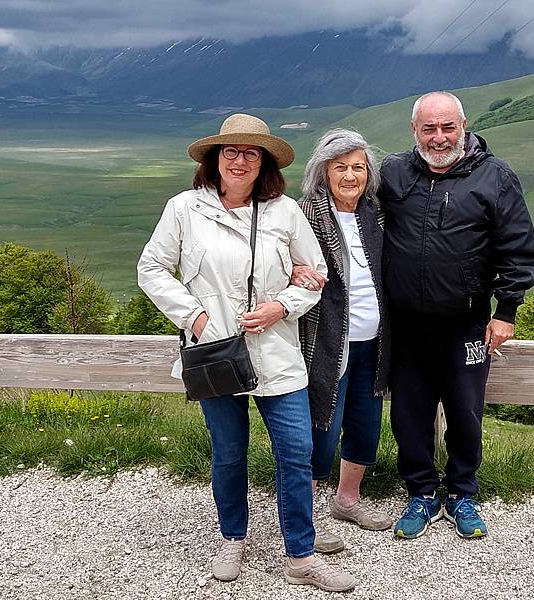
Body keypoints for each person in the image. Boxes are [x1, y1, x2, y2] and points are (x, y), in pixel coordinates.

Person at [136, 113, 355, 592]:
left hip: (276, 352)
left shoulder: (283, 212)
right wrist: (194, 318)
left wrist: (282, 305)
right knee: (229, 452)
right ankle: (233, 537)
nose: (239, 160)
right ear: (215, 159)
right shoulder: (183, 209)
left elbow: (315, 272)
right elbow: (151, 268)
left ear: (265, 163)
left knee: (296, 452)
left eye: (250, 153)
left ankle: (300, 554)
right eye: (230, 152)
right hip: (214, 352)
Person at [378, 91, 534, 539]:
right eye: (429, 128)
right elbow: (347, 207)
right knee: (408, 413)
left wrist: (506, 310)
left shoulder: (495, 176)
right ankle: (422, 493)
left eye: (448, 127)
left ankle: (463, 493)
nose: (439, 136)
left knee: (466, 411)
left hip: (466, 321)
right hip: (405, 323)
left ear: (463, 126)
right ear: (415, 130)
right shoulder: (393, 172)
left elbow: (518, 247)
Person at [294, 129, 394, 550]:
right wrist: (294, 271)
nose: (350, 175)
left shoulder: (377, 211)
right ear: (323, 171)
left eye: (358, 167)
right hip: (326, 338)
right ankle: (306, 517)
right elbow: (283, 261)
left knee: (366, 419)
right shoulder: (305, 213)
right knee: (321, 423)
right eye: (340, 167)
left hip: (374, 338)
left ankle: (347, 500)